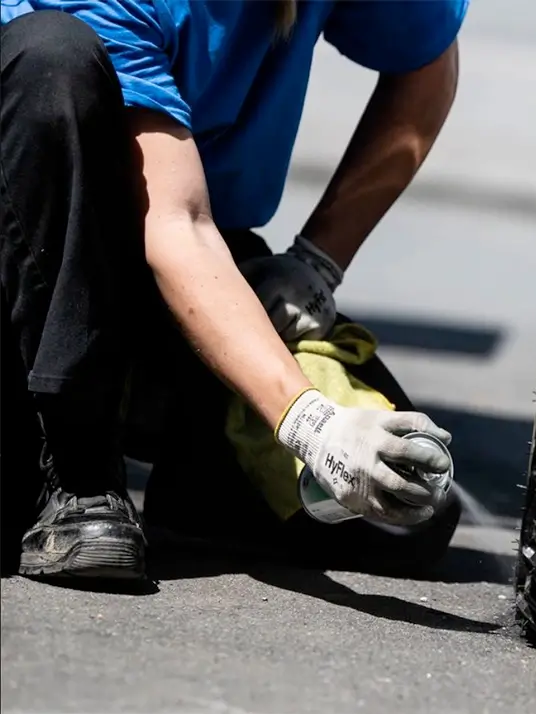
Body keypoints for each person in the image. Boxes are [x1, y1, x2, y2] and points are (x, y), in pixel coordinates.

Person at [0, 0, 468, 581]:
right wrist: (313, 426)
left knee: (404, 510)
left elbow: (428, 61)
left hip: (181, 254)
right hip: (38, 267)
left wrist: (318, 263)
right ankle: (75, 472)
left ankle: (199, 486)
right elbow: (175, 224)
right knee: (53, 54)